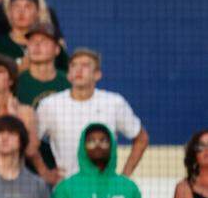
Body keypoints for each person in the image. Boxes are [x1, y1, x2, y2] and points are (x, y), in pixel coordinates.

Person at [37, 48, 148, 180]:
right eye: (73, 66)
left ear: (97, 74)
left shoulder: (113, 102)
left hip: (105, 189)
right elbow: (30, 144)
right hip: (66, 188)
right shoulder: (49, 105)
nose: (78, 70)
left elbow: (141, 138)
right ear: (68, 74)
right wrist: (44, 173)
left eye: (85, 65)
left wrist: (124, 177)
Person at [0, 0, 69, 72]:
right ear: (9, 11)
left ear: (37, 12)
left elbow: (68, 74)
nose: (21, 12)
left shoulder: (51, 47)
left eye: (28, 6)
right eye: (16, 6)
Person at [15, 23, 69, 109]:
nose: (37, 45)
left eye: (44, 41)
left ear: (57, 49)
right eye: (32, 41)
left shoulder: (68, 83)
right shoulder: (15, 83)